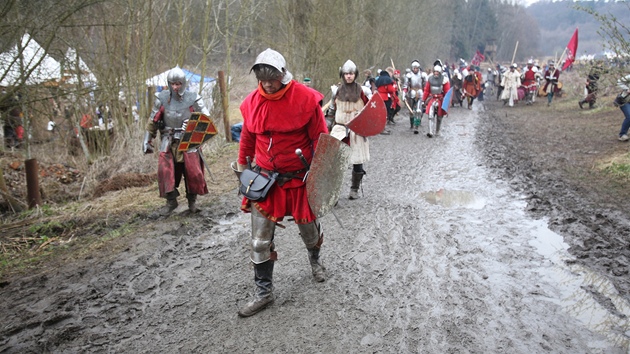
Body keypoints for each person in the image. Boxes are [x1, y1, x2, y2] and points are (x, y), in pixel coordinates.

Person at [234, 48, 329, 317]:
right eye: (262, 80)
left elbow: (321, 137)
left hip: (299, 177)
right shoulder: (253, 102)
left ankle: (315, 262)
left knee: (308, 231)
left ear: (282, 75)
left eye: (271, 79)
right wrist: (243, 169)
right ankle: (264, 293)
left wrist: (320, 173)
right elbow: (247, 140)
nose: (267, 85)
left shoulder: (305, 99)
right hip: (265, 180)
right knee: (259, 241)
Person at [143, 66, 210, 215]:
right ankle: (171, 202)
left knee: (192, 173)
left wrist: (193, 124)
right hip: (168, 142)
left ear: (183, 83)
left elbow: (207, 119)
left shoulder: (194, 98)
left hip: (189, 142)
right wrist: (147, 140)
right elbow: (152, 121)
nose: (175, 87)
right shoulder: (161, 99)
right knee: (166, 172)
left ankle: (192, 203)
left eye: (178, 83)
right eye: (172, 84)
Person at [328, 60, 371, 199]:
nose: (348, 76)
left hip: (356, 130)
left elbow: (370, 110)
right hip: (339, 129)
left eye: (351, 73)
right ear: (342, 74)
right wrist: (326, 127)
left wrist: (365, 123)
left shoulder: (362, 91)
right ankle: (333, 193)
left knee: (357, 161)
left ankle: (354, 189)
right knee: (336, 163)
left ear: (355, 74)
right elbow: (331, 112)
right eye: (346, 73)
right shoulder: (336, 91)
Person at [422, 64, 451, 138]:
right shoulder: (430, 79)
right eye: (435, 72)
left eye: (437, 72)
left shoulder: (444, 80)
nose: (436, 73)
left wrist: (446, 103)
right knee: (430, 115)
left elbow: (447, 92)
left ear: (440, 72)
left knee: (439, 116)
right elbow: (426, 90)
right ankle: (430, 131)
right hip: (432, 98)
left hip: (440, 99)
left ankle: (437, 131)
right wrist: (423, 99)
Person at [403, 60, 428, 132]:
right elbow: (405, 86)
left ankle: (416, 126)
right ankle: (411, 124)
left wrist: (426, 95)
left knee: (418, 110)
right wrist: (404, 94)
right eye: (414, 68)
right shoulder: (409, 75)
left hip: (420, 93)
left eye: (417, 68)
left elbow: (426, 86)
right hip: (411, 93)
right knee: (411, 111)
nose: (415, 69)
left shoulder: (423, 75)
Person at [375, 69, 397, 134]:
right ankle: (382, 129)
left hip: (379, 97)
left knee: (380, 113)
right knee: (385, 114)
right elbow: (391, 89)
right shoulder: (387, 80)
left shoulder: (378, 80)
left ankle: (380, 128)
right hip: (385, 98)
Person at [615, 74, 630, 141]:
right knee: (629, 116)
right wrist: (627, 89)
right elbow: (619, 81)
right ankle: (622, 134)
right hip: (624, 101)